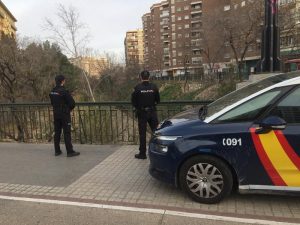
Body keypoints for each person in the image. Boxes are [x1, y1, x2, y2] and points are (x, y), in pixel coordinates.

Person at [131, 70, 160, 159]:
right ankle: (159, 151)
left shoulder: (137, 88)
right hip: (152, 112)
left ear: (141, 77)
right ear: (149, 77)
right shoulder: (154, 87)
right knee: (156, 132)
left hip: (142, 113)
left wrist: (139, 108)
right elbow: (158, 100)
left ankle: (142, 154)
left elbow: (133, 102)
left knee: (142, 134)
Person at [49, 75, 80, 157]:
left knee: (57, 132)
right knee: (67, 132)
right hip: (64, 115)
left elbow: (52, 103)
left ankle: (57, 151)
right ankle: (70, 152)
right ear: (62, 81)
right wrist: (68, 109)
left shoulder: (52, 91)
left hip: (56, 114)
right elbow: (72, 103)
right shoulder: (64, 91)